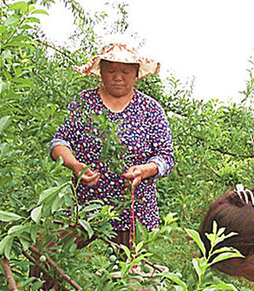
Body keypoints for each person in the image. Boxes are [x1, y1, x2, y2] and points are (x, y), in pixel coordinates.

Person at [50, 38, 175, 247]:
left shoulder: (151, 109)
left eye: (125, 72)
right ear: (101, 72)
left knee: (132, 275)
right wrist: (74, 165)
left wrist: (145, 170)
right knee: (48, 258)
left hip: (134, 210)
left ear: (136, 73)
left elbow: (166, 156)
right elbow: (59, 141)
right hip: (83, 206)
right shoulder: (83, 102)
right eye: (111, 70)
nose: (118, 77)